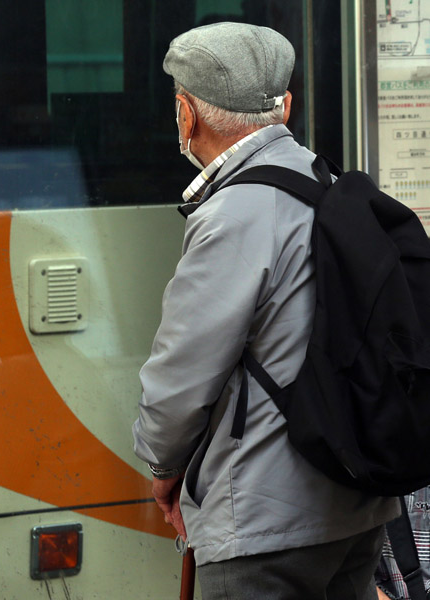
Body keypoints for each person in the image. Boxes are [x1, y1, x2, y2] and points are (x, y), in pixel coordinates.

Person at [132, 22, 400, 599]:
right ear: (287, 106)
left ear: (187, 114)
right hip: (356, 505)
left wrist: (163, 468)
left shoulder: (233, 213)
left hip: (262, 522)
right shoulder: (330, 183)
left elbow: (182, 373)